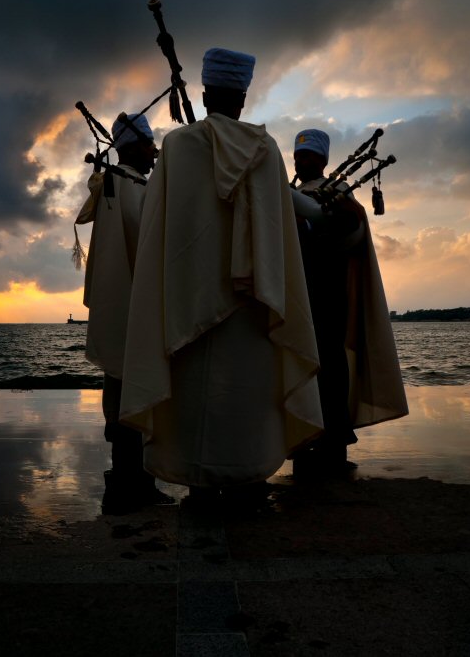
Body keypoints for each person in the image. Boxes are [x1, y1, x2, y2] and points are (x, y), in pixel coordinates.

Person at [118, 48, 324, 501]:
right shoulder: (266, 150)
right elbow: (279, 232)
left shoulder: (177, 146)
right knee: (246, 398)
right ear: (243, 99)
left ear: (207, 93)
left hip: (187, 301)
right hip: (254, 303)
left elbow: (158, 228)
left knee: (196, 403)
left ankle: (199, 487)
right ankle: (248, 481)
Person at [289, 128, 408, 472]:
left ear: (323, 160)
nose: (301, 161)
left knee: (330, 364)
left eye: (308, 156)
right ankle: (302, 440)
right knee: (301, 364)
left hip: (328, 290)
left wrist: (314, 228)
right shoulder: (292, 194)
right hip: (298, 293)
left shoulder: (339, 193)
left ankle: (334, 444)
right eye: (298, 156)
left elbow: (351, 229)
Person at [75, 112, 173, 512]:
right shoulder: (120, 187)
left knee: (125, 392)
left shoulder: (132, 186)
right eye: (150, 145)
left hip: (133, 309)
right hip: (133, 309)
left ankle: (132, 482)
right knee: (128, 393)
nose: (155, 152)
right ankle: (131, 485)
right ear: (133, 146)